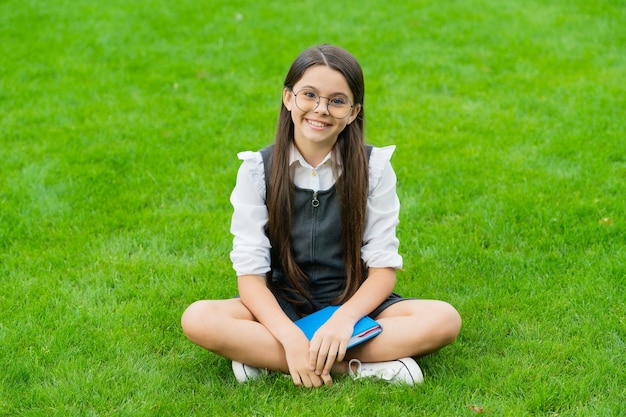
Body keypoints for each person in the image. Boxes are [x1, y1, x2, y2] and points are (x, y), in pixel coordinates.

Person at [181, 44, 461, 388]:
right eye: (309, 95)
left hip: (354, 306)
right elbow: (251, 277)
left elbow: (383, 269)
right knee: (199, 318)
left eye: (337, 101)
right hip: (283, 305)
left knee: (443, 320)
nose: (321, 109)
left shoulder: (375, 167)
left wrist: (343, 321)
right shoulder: (257, 169)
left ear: (354, 111)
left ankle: (270, 359)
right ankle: (359, 367)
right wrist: (286, 333)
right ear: (288, 98)